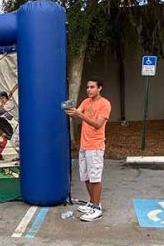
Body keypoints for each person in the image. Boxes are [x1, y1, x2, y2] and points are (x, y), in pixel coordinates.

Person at [65, 78, 111, 222]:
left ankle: (97, 209)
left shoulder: (105, 104)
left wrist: (80, 115)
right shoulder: (86, 102)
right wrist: (69, 110)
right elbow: (76, 114)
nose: (89, 89)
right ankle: (92, 202)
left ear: (100, 88)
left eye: (92, 87)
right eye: (87, 87)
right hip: (84, 145)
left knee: (95, 178)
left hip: (95, 146)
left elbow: (98, 124)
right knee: (85, 177)